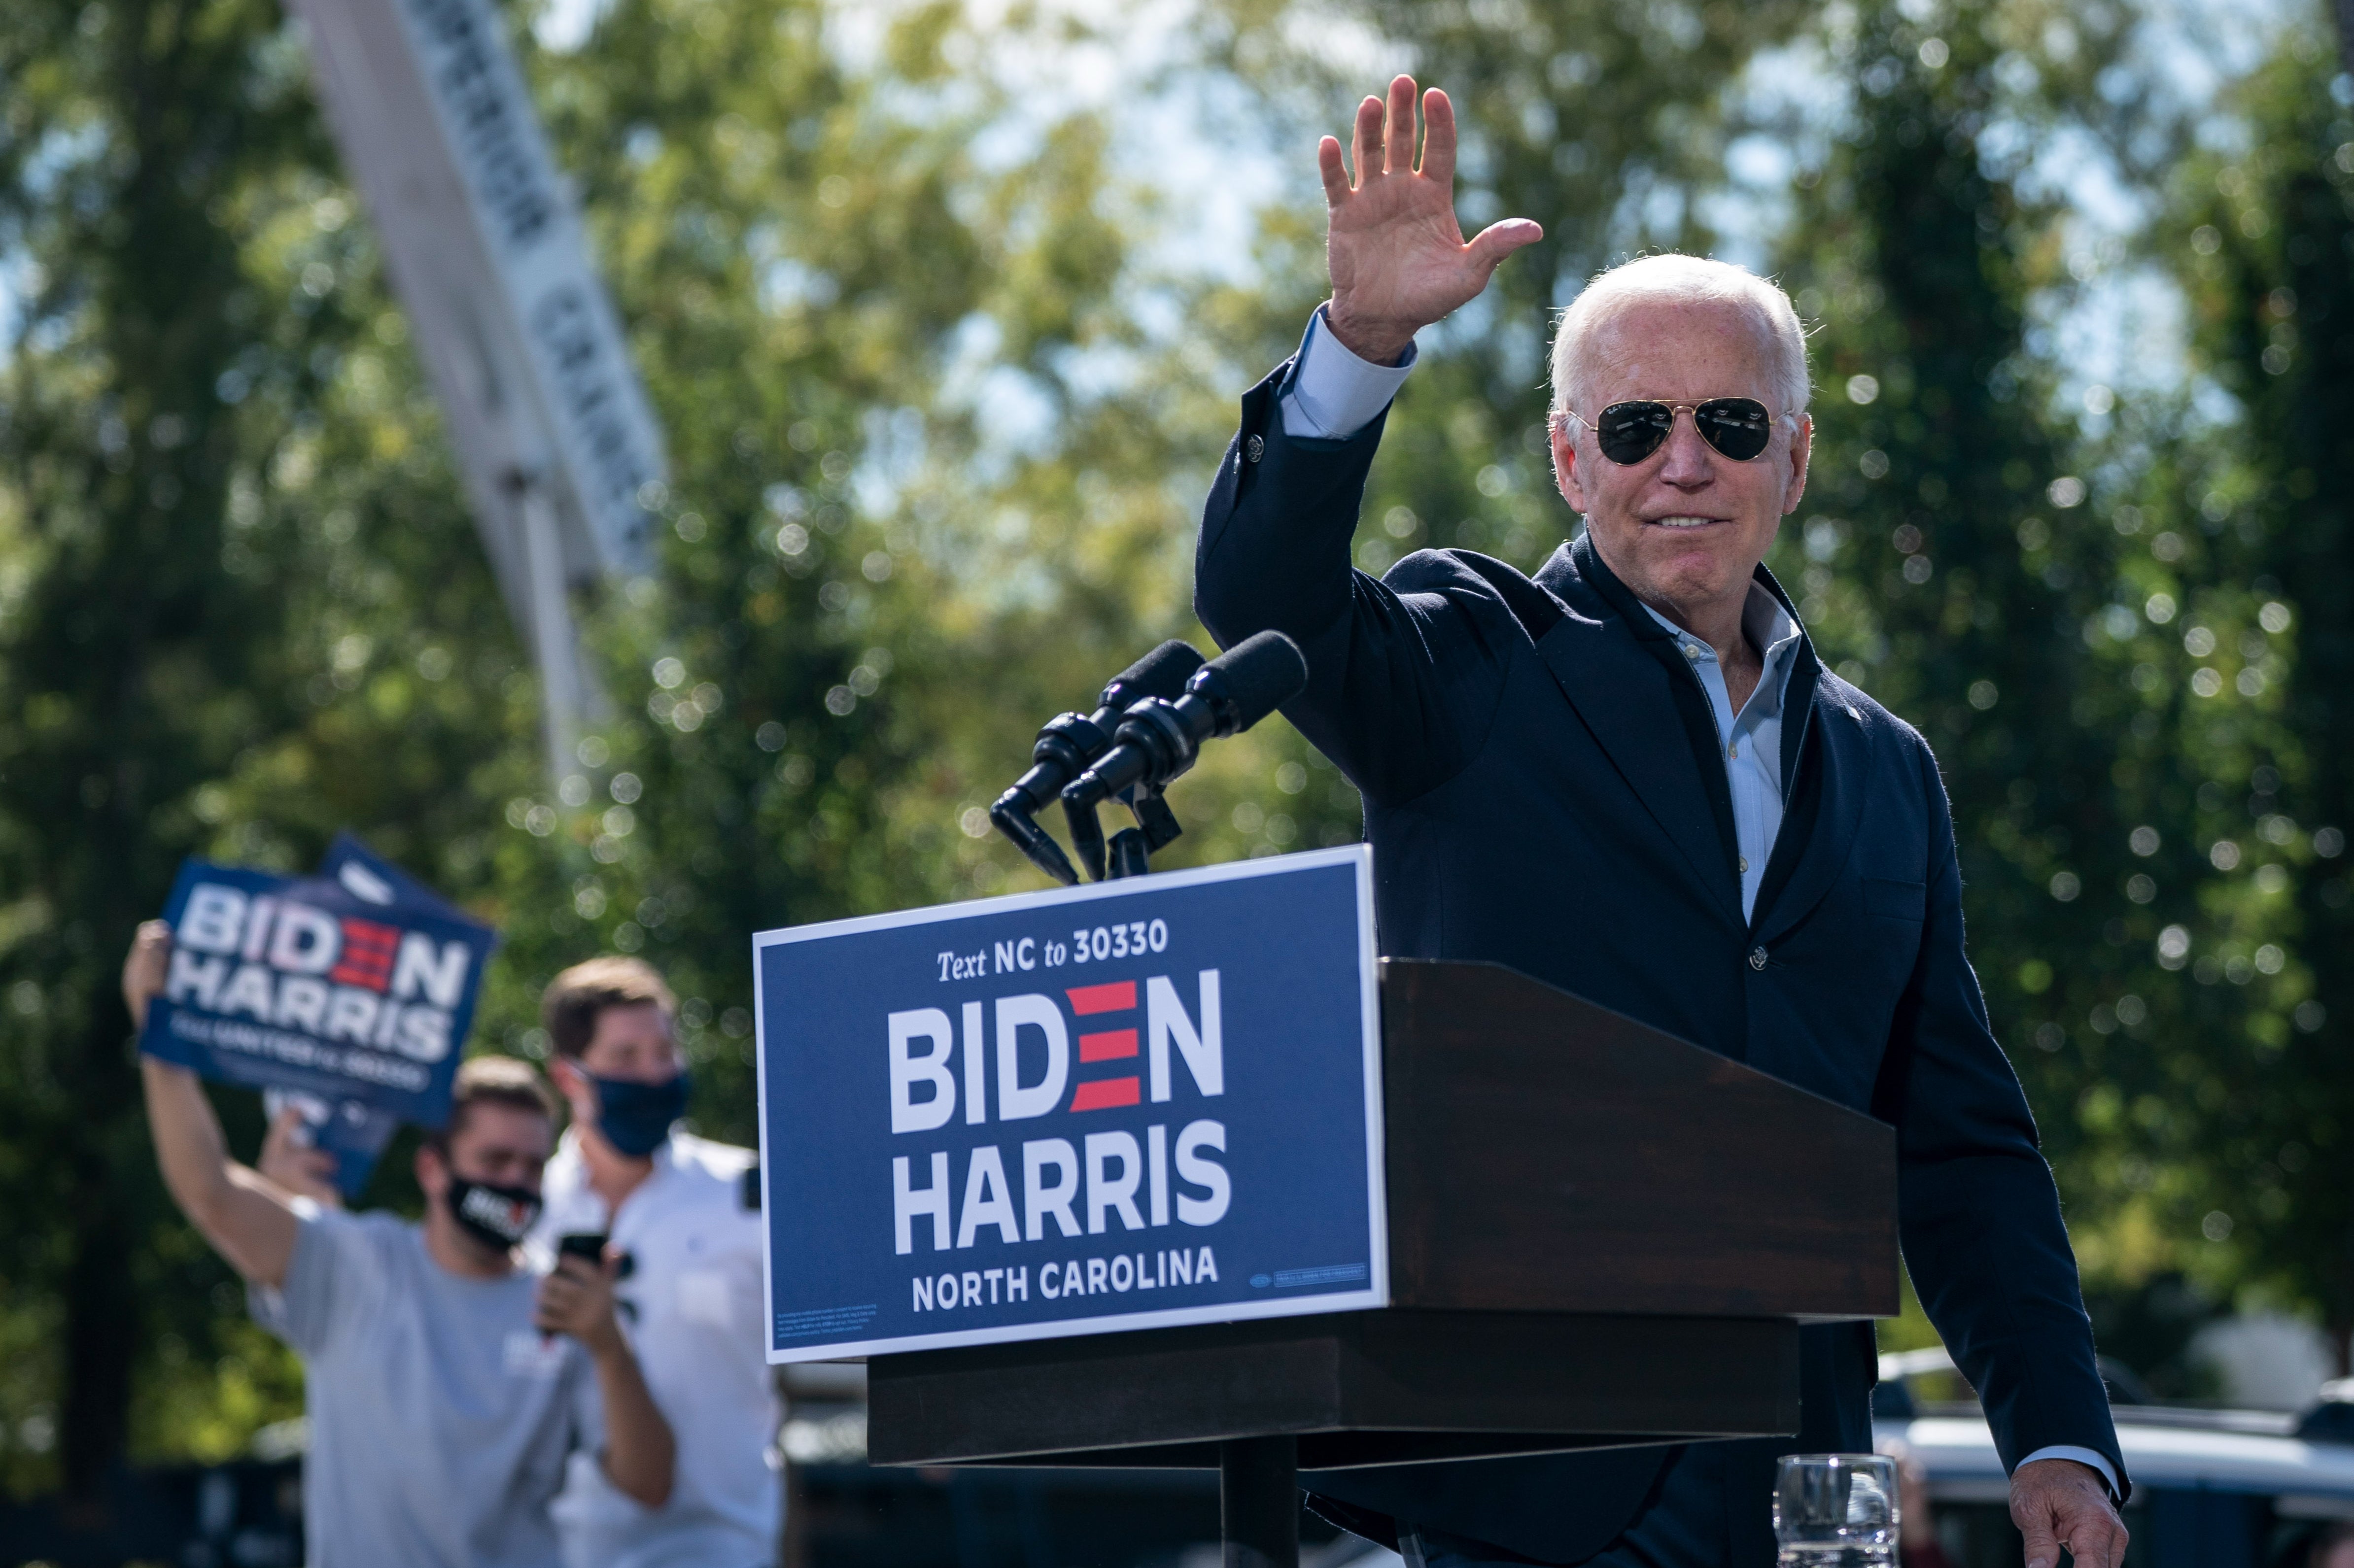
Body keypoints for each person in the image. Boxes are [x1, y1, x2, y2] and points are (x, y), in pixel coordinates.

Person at [1193, 75, 2130, 1568]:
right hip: (1537, 1465)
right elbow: (1261, 603)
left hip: (1818, 1469)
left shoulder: (1883, 768)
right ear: (1572, 461)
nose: (1680, 460)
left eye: (1728, 422)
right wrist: (1359, 347)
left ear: (1794, 459)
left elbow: (1956, 1145)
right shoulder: (1470, 663)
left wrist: (2057, 1435)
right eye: (1632, 424)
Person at [124, 921, 674, 1568]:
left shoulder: (566, 1302)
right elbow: (209, 1190)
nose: (516, 1183)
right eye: (495, 1161)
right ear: (434, 1169)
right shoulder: (353, 1263)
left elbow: (649, 1483)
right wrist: (158, 1029)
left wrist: (611, 1348)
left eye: (530, 1166)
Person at [528, 957, 777, 1568]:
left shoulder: (750, 1192)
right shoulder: (528, 1208)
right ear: (570, 1076)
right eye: (625, 1057)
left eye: (665, 1051)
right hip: (552, 1547)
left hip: (722, 1541)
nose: (653, 1072)